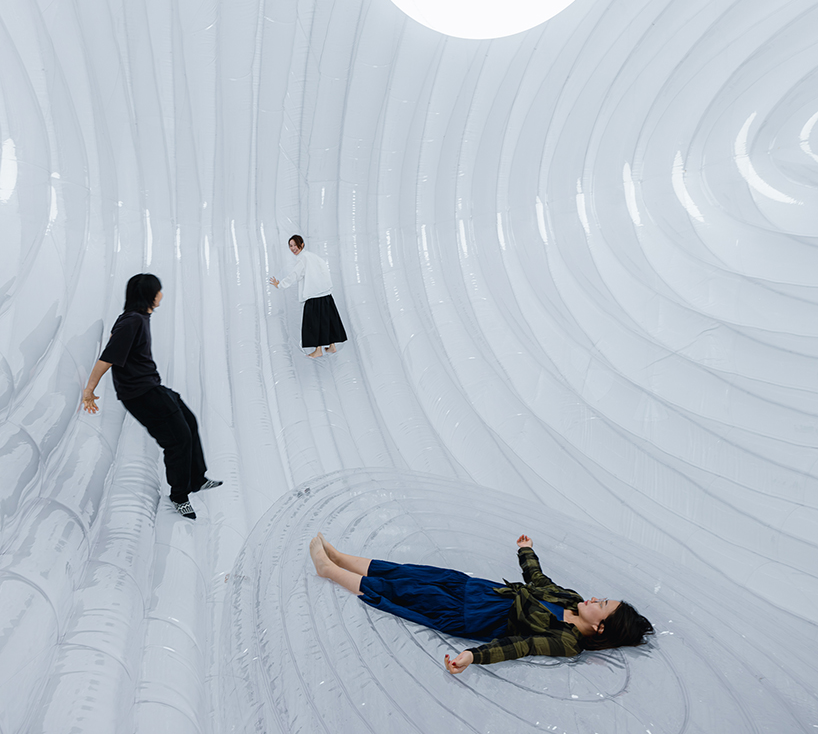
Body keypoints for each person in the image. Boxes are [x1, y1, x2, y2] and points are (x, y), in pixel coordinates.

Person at [308, 532, 653, 673]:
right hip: (477, 589)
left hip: (469, 614)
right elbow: (539, 581)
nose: (594, 597)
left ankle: (329, 571)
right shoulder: (572, 599)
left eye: (602, 603)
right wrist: (526, 551)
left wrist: (473, 656)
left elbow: (519, 646)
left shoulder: (567, 641)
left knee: (403, 593)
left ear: (600, 626)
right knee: (411, 573)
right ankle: (339, 557)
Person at [81, 273, 222, 520]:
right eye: (159, 290)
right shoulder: (132, 321)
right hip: (140, 393)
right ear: (148, 295)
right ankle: (179, 496)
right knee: (177, 440)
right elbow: (107, 358)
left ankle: (197, 479)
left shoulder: (138, 318)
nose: (162, 295)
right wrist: (89, 390)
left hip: (150, 386)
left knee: (189, 421)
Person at [269, 235, 347, 358]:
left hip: (314, 296)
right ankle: (331, 346)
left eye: (295, 245)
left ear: (302, 244)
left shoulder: (303, 259)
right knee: (327, 320)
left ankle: (318, 350)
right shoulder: (313, 256)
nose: (293, 248)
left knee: (314, 323)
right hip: (325, 294)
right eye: (291, 245)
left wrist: (280, 285)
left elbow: (295, 275)